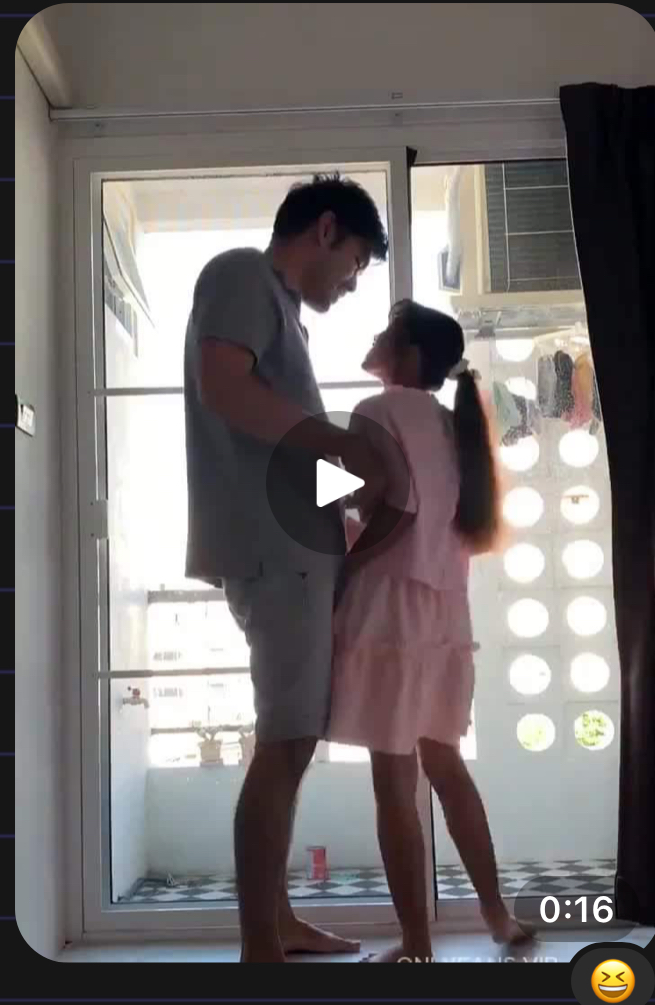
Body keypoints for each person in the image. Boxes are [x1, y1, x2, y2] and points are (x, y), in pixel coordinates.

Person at [183, 175, 389, 962]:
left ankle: (277, 923)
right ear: (325, 230)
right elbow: (223, 388)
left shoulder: (282, 313)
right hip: (276, 556)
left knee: (292, 741)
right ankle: (258, 945)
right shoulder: (243, 273)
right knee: (285, 742)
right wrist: (339, 443)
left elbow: (274, 448)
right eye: (356, 262)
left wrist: (343, 491)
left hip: (289, 549)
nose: (352, 283)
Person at [327, 300, 533, 962]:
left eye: (385, 332)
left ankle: (416, 941)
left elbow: (394, 509)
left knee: (394, 782)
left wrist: (344, 562)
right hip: (446, 610)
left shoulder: (376, 410)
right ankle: (497, 915)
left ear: (409, 354)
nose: (372, 337)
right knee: (445, 766)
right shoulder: (450, 423)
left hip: (390, 607)